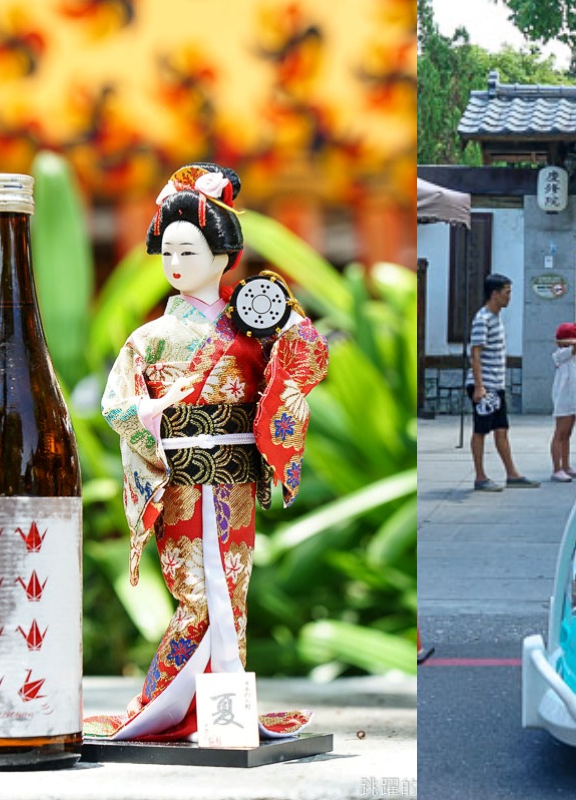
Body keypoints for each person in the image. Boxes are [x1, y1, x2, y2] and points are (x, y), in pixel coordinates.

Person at [91, 163, 329, 742]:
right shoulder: (148, 340)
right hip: (179, 477)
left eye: (189, 252)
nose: (176, 264)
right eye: (168, 252)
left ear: (223, 257)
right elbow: (113, 405)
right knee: (197, 594)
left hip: (235, 479)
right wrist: (153, 411)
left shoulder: (252, 324)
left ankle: (226, 712)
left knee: (232, 591)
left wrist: (287, 329)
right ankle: (165, 708)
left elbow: (308, 361)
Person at [468, 274, 539, 491]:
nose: (509, 297)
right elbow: (475, 354)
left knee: (501, 429)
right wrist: (479, 387)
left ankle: (512, 474)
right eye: (507, 292)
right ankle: (480, 477)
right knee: (480, 430)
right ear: (495, 294)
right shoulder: (482, 319)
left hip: (496, 385)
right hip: (484, 386)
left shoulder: (495, 317)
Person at [550, 320, 576, 482]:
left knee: (567, 434)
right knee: (560, 433)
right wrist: (568, 340)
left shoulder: (573, 355)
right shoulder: (561, 354)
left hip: (572, 397)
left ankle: (566, 465)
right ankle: (556, 468)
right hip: (563, 398)